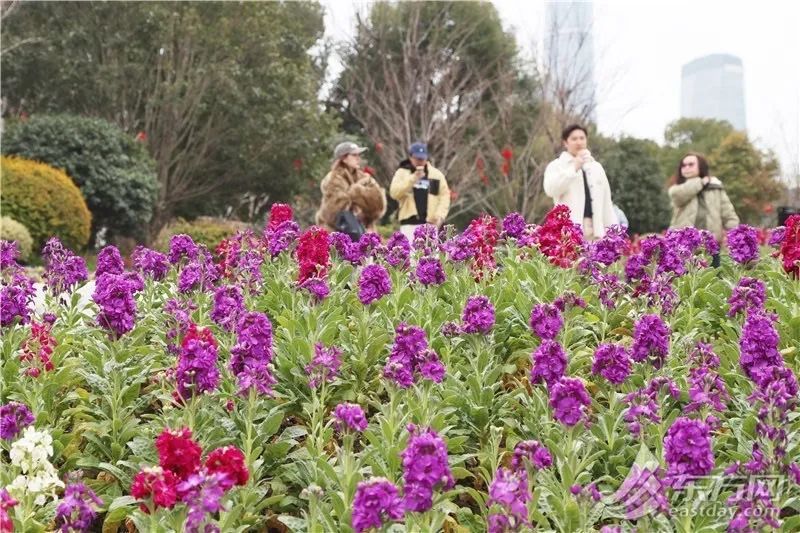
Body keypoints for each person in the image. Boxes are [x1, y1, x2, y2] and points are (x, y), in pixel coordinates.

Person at [543, 124, 618, 240]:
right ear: (565, 142)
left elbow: (606, 202)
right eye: (574, 139)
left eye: (582, 138)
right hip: (568, 233)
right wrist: (573, 168)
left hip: (596, 231)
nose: (579, 142)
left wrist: (614, 233)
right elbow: (550, 190)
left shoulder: (596, 167)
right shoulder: (556, 166)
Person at [668, 152, 739, 267]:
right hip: (683, 245)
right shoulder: (677, 189)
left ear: (701, 166)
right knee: (685, 282)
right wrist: (701, 182)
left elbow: (728, 213)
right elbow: (679, 197)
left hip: (710, 245)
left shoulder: (715, 187)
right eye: (683, 165)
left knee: (712, 280)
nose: (686, 168)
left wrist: (736, 235)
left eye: (691, 164)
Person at [315, 141, 387, 234]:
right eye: (354, 155)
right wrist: (357, 192)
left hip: (362, 231)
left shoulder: (364, 177)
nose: (358, 158)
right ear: (344, 158)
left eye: (358, 155)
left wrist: (353, 195)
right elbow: (334, 210)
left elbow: (378, 205)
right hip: (337, 234)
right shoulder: (333, 178)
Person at [389, 142, 451, 240]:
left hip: (430, 224)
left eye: (422, 158)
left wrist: (440, 216)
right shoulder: (402, 172)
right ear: (410, 157)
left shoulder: (436, 175)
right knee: (409, 253)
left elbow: (444, 196)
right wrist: (413, 178)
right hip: (409, 223)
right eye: (417, 158)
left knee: (430, 253)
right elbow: (394, 193)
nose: (420, 161)